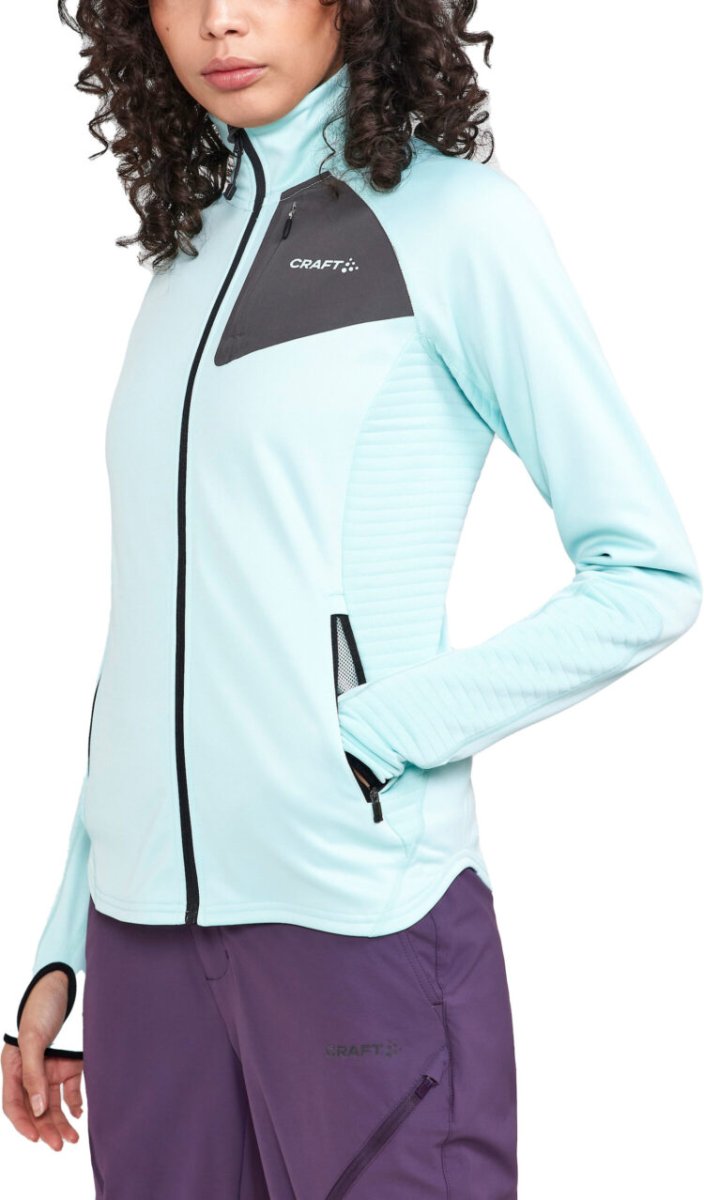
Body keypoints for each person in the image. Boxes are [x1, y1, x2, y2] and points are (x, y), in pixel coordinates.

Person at [2, 2, 701, 1197]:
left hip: (355, 918)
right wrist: (67, 936)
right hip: (141, 952)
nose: (220, 20)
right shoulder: (186, 253)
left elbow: (646, 571)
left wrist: (369, 738)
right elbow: (157, 631)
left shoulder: (454, 225)